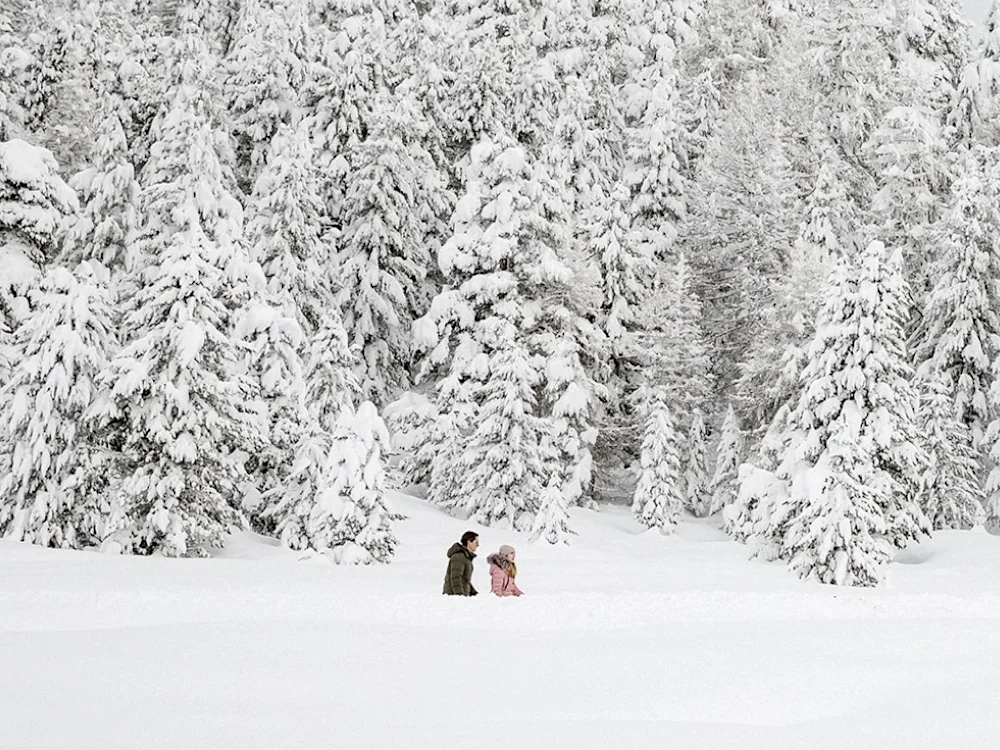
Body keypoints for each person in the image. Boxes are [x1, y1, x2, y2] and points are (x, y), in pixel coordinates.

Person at [443, 531, 479, 596]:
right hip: (453, 598)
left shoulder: (466, 557)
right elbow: (455, 577)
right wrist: (459, 596)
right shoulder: (459, 557)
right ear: (469, 542)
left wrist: (474, 593)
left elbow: (465, 580)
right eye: (476, 542)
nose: (478, 545)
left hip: (462, 597)